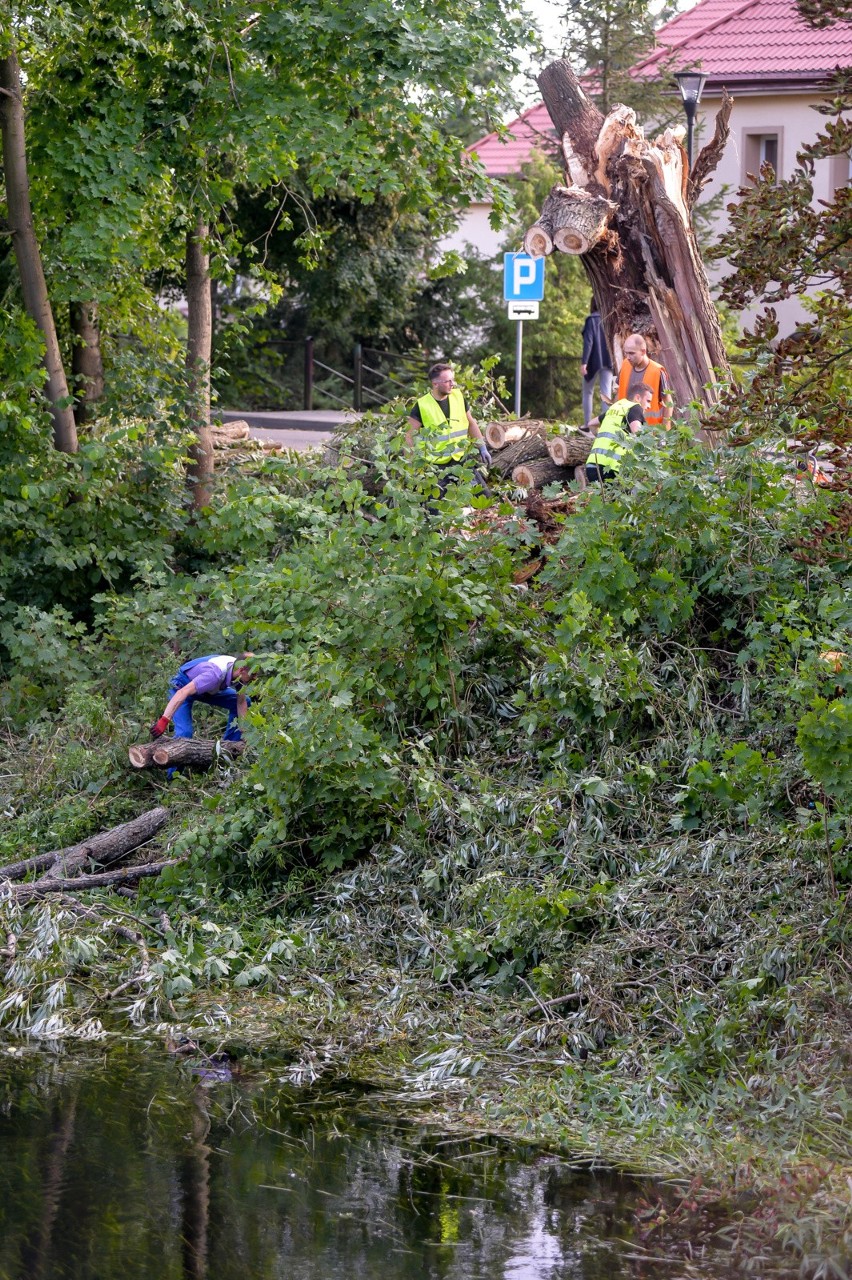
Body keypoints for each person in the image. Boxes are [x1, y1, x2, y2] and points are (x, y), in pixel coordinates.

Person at [405, 362, 492, 497]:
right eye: (448, 381)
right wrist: (411, 468)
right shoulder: (422, 405)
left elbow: (471, 423)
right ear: (435, 384)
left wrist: (482, 447)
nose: (453, 384)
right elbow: (409, 437)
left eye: (453, 380)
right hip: (436, 466)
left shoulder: (458, 397)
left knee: (484, 498)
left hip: (460, 460)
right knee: (436, 510)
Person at [150, 653, 255, 742]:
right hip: (182, 686)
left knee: (245, 700)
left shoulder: (239, 673)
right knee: (185, 735)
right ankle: (173, 764)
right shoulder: (214, 675)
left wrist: (244, 733)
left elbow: (241, 703)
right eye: (253, 674)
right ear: (242, 670)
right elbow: (183, 692)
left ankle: (229, 749)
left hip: (208, 689)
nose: (255, 678)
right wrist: (164, 720)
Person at [585, 383, 654, 483]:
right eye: (648, 401)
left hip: (592, 466)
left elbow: (591, 424)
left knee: (601, 498)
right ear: (638, 398)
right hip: (613, 470)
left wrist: (600, 438)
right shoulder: (635, 408)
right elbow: (639, 435)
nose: (649, 406)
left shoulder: (616, 407)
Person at [615, 333, 673, 429]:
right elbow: (619, 393)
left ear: (643, 351)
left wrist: (665, 428)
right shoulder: (625, 365)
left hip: (649, 433)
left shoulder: (657, 371)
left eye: (632, 353)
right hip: (624, 430)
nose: (628, 357)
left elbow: (668, 402)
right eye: (626, 353)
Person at [580, 298, 613, 426]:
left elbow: (589, 342)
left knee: (588, 392)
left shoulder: (591, 320)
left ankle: (588, 424)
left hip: (593, 362)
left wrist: (584, 362)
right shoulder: (609, 318)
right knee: (606, 393)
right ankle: (606, 424)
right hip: (608, 360)